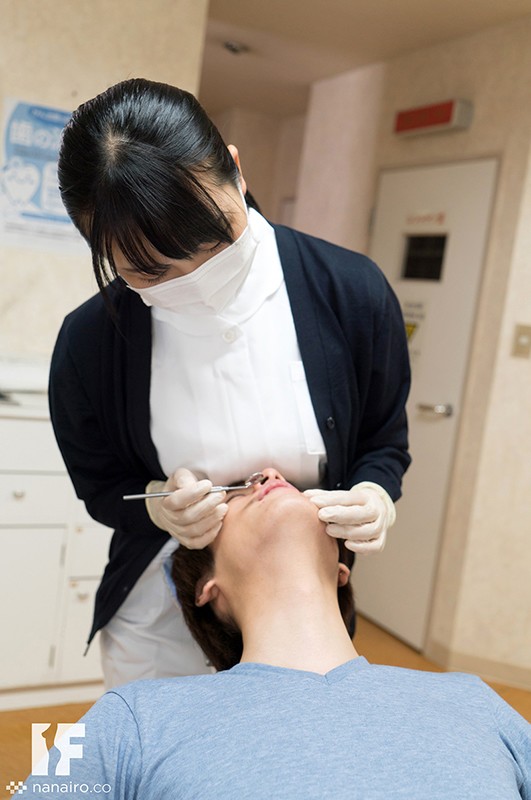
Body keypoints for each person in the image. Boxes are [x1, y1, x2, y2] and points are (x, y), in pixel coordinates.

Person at [50, 77, 411, 687]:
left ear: (236, 171)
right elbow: (101, 485)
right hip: (158, 615)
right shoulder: (90, 343)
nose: (196, 275)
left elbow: (384, 439)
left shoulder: (351, 292)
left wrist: (376, 494)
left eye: (211, 238)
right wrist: (158, 504)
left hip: (301, 604)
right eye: (151, 270)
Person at [21, 469, 531, 799]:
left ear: (342, 570)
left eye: (294, 483)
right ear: (207, 588)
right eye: (237, 490)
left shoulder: (471, 697)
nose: (270, 475)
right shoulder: (133, 716)